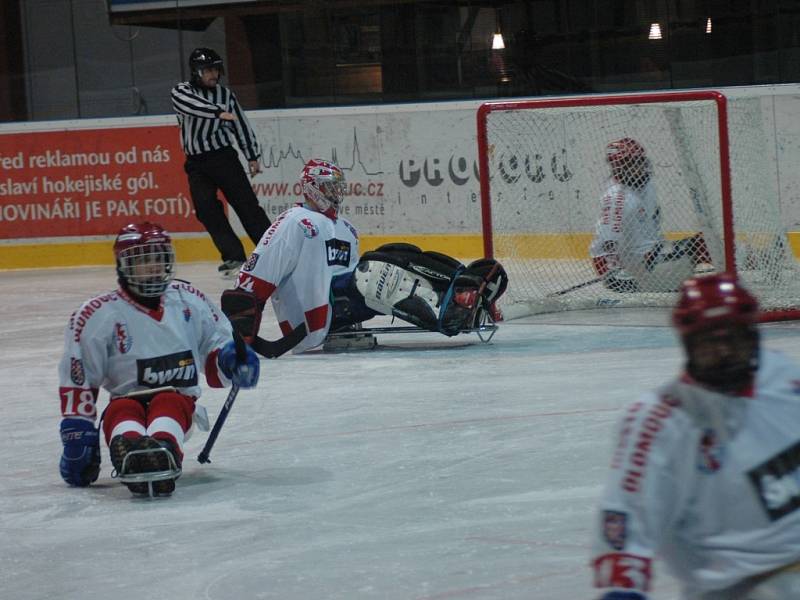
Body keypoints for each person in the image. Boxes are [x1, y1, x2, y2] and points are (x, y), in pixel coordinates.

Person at [591, 272, 800, 600]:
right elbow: (625, 525)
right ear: (687, 345)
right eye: (708, 343)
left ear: (753, 335)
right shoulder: (659, 422)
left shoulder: (784, 378)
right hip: (740, 589)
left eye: (733, 339)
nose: (723, 352)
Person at [221, 158, 507, 355]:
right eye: (330, 187)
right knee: (375, 270)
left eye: (337, 187)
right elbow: (255, 276)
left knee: (396, 255)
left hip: (341, 311)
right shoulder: (294, 222)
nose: (336, 193)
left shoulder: (347, 229)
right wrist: (241, 338)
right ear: (312, 188)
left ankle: (462, 289)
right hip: (309, 320)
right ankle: (449, 311)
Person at [57, 222, 260, 497]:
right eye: (143, 259)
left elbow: (216, 351)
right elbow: (80, 377)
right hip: (126, 398)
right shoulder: (97, 314)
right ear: (124, 264)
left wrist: (232, 360)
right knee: (121, 411)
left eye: (159, 258)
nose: (153, 266)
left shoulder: (190, 299)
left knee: (169, 402)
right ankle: (129, 446)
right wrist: (77, 432)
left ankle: (164, 448)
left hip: (178, 400)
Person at [171, 47, 271, 278]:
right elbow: (191, 107)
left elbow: (240, 125)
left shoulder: (225, 95)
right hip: (196, 163)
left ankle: (271, 251)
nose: (213, 74)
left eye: (215, 69)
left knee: (247, 206)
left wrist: (252, 155)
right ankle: (234, 256)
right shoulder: (181, 91)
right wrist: (217, 113)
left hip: (223, 157)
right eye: (207, 70)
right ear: (196, 72)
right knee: (206, 209)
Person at [589, 138, 711, 293]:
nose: (639, 168)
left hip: (653, 256)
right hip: (637, 271)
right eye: (633, 163)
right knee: (700, 245)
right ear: (618, 167)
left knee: (704, 241)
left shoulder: (646, 186)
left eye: (640, 161)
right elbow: (604, 248)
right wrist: (615, 279)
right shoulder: (617, 198)